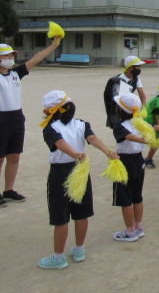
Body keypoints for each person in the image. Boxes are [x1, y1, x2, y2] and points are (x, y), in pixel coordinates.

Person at [39, 90, 118, 269]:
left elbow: (60, 143)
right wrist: (107, 151)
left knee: (61, 216)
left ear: (53, 110)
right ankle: (79, 250)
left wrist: (75, 154)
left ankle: (58, 257)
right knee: (81, 213)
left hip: (61, 173)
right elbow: (92, 138)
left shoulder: (51, 128)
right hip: (81, 170)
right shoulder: (81, 124)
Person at [0, 37, 61, 206]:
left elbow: (36, 58)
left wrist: (54, 45)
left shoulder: (15, 73)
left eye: (11, 55)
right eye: (6, 56)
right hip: (1, 118)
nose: (9, 58)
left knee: (14, 156)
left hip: (17, 118)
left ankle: (9, 190)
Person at [111, 93, 150, 241]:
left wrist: (142, 139)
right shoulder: (139, 122)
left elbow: (128, 136)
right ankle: (138, 227)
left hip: (125, 162)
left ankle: (130, 231)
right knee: (137, 196)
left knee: (125, 198)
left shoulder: (119, 126)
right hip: (139, 160)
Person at [104, 56, 147, 129]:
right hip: (121, 112)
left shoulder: (136, 78)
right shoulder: (118, 81)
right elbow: (116, 101)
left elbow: (142, 95)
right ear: (130, 67)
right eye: (138, 66)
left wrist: (143, 108)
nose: (139, 68)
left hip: (131, 109)